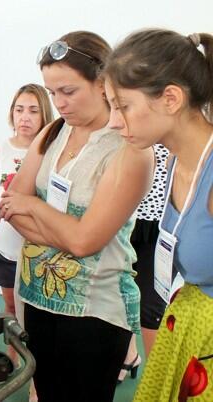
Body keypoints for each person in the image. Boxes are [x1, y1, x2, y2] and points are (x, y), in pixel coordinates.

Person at [0, 31, 154, 402]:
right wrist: (69, 230)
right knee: (45, 391)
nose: (59, 103)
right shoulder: (53, 132)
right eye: (52, 93)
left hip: (94, 310)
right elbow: (9, 202)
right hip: (35, 297)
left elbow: (85, 241)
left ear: (102, 83)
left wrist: (35, 208)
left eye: (68, 91)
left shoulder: (129, 148)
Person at [103, 28, 213, 401]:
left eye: (123, 106)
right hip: (190, 330)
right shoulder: (173, 165)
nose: (115, 121)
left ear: (170, 98)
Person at [0, 83, 53, 319]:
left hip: (43, 250)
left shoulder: (54, 152)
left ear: (44, 115)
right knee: (11, 310)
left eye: (33, 110)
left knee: (39, 314)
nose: (25, 117)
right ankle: (13, 356)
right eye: (19, 109)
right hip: (5, 249)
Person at [119, 143, 169, 383]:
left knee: (150, 307)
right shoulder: (130, 123)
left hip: (159, 225)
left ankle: (157, 383)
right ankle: (129, 356)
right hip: (124, 218)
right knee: (121, 294)